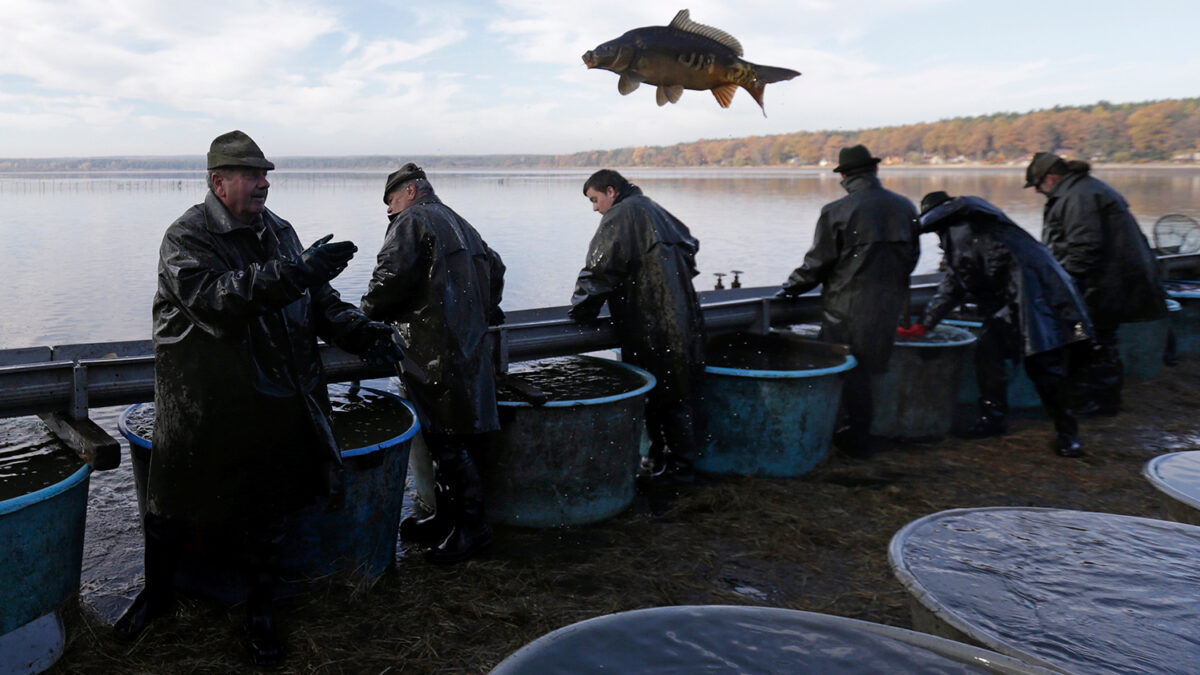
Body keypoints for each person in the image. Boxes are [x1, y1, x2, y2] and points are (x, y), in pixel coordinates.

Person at [115, 131, 404, 666]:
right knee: (171, 502)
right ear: (217, 181)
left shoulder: (281, 231)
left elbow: (320, 302)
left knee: (268, 512)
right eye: (251, 175)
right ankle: (156, 596)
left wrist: (359, 330)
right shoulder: (187, 236)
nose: (264, 184)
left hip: (274, 392)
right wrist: (297, 271)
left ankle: (261, 613)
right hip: (202, 395)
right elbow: (218, 299)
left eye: (265, 173)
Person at [361, 163, 506, 564]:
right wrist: (487, 310)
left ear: (408, 192)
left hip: (433, 352)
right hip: (467, 349)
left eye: (390, 201)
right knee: (454, 438)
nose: (389, 210)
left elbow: (388, 279)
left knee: (449, 442)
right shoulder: (460, 222)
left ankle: (473, 532)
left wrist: (363, 317)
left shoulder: (412, 221)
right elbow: (496, 267)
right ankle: (447, 518)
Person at [898, 192, 1094, 457]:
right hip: (1007, 307)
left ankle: (1067, 433)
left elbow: (963, 205)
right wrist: (924, 324)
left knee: (1046, 367)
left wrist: (910, 227)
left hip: (1037, 297)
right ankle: (993, 419)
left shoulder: (976, 211)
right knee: (987, 354)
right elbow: (952, 286)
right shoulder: (955, 242)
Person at [776, 144, 919, 457]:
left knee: (846, 371)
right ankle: (861, 434)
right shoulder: (906, 207)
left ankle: (853, 441)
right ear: (874, 170)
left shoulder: (837, 211)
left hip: (846, 309)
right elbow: (912, 258)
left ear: (843, 175)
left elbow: (817, 264)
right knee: (870, 370)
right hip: (888, 305)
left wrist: (791, 289)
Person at [569, 169, 706, 484]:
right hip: (684, 318)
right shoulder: (655, 209)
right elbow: (690, 247)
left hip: (651, 321)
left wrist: (581, 309)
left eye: (595, 200)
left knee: (661, 397)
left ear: (611, 192)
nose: (595, 208)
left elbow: (600, 268)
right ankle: (675, 465)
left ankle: (673, 471)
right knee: (677, 394)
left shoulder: (622, 215)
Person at [1025, 152, 1168, 415]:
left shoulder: (1079, 196)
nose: (1036, 191)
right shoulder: (1082, 190)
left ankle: (1100, 402)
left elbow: (1084, 248)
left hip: (1105, 284)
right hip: (1109, 281)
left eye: (1037, 184)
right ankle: (1094, 397)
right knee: (1094, 338)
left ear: (1051, 177)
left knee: (1094, 339)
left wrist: (1063, 287)